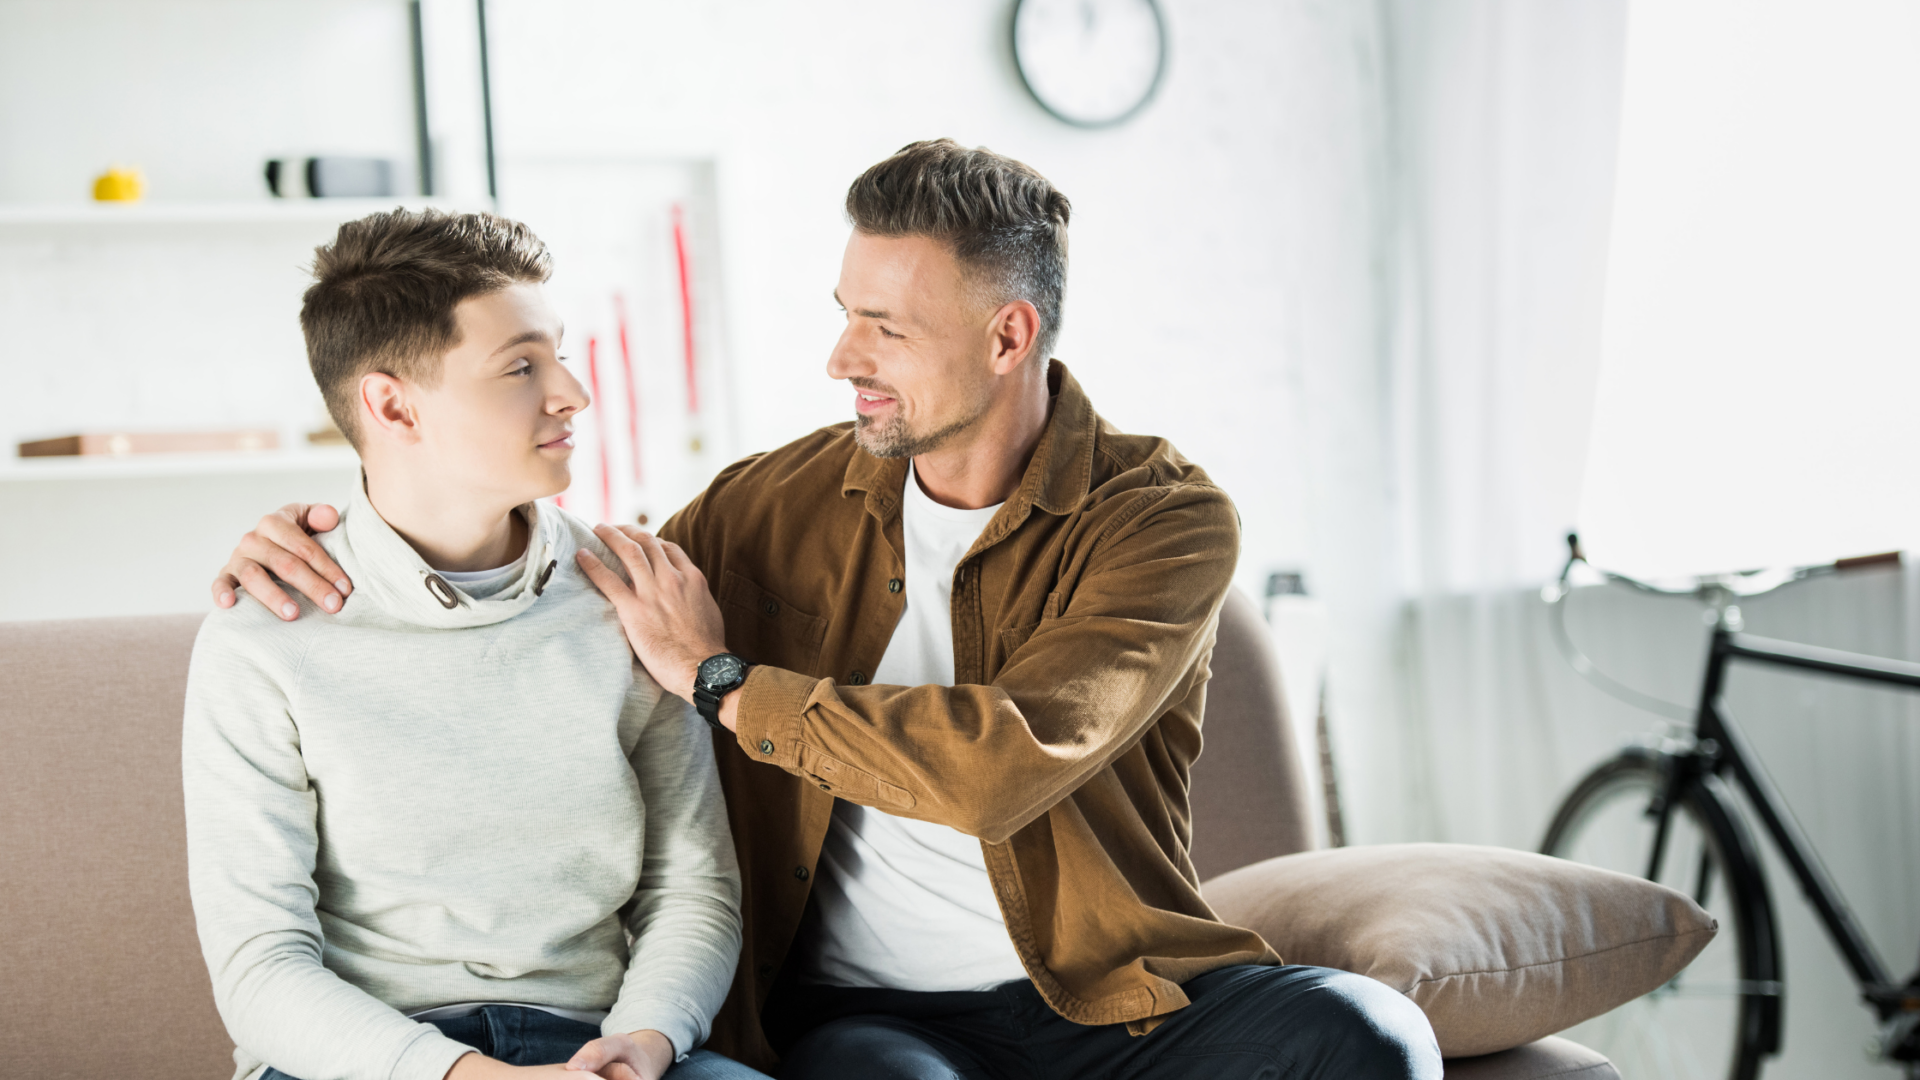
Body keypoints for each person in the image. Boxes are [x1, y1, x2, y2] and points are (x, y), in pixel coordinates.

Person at [213, 141, 1443, 1079]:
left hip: (1105, 989)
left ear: (1009, 335)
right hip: (860, 1016)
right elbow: (536, 562)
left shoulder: (1160, 519)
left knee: (1365, 1038)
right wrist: (318, 535)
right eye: (842, 311)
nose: (841, 356)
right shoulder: (766, 505)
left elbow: (1000, 763)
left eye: (885, 328)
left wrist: (727, 685)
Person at [184, 209, 765, 1080]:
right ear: (392, 404)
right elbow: (260, 966)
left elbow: (693, 889)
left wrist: (642, 1041)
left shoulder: (633, 600)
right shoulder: (265, 630)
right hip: (361, 1058)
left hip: (594, 1047)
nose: (573, 391)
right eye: (522, 366)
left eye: (559, 354)